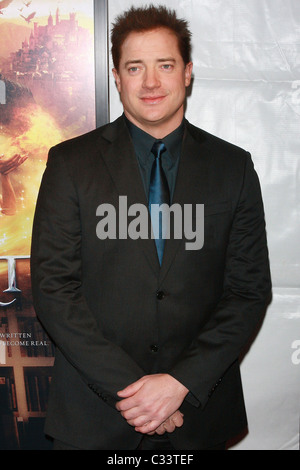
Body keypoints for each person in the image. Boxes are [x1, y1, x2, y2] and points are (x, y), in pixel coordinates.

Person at [30, 5, 272, 451]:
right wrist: (134, 392)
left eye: (165, 65)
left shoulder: (232, 167)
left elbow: (248, 291)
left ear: (188, 72)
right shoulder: (70, 164)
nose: (151, 82)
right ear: (117, 77)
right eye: (135, 67)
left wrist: (179, 383)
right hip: (93, 416)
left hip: (198, 413)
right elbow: (54, 289)